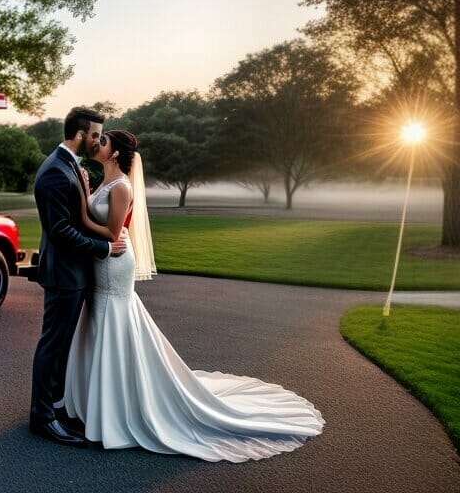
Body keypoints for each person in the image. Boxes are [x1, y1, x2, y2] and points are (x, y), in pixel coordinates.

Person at [63, 130, 325, 462]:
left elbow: (113, 234)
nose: (96, 145)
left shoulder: (123, 187)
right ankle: (98, 403)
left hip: (114, 265)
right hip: (101, 264)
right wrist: (86, 193)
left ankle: (116, 409)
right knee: (100, 324)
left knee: (114, 323)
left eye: (103, 142)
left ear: (115, 154)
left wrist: (84, 215)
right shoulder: (104, 182)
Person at [30, 108, 126, 448]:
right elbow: (60, 231)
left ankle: (55, 405)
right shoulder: (56, 171)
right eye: (96, 135)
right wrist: (103, 247)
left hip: (75, 273)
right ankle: (42, 418)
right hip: (64, 274)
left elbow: (76, 215)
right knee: (52, 344)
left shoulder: (69, 164)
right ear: (80, 134)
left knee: (62, 345)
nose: (99, 140)